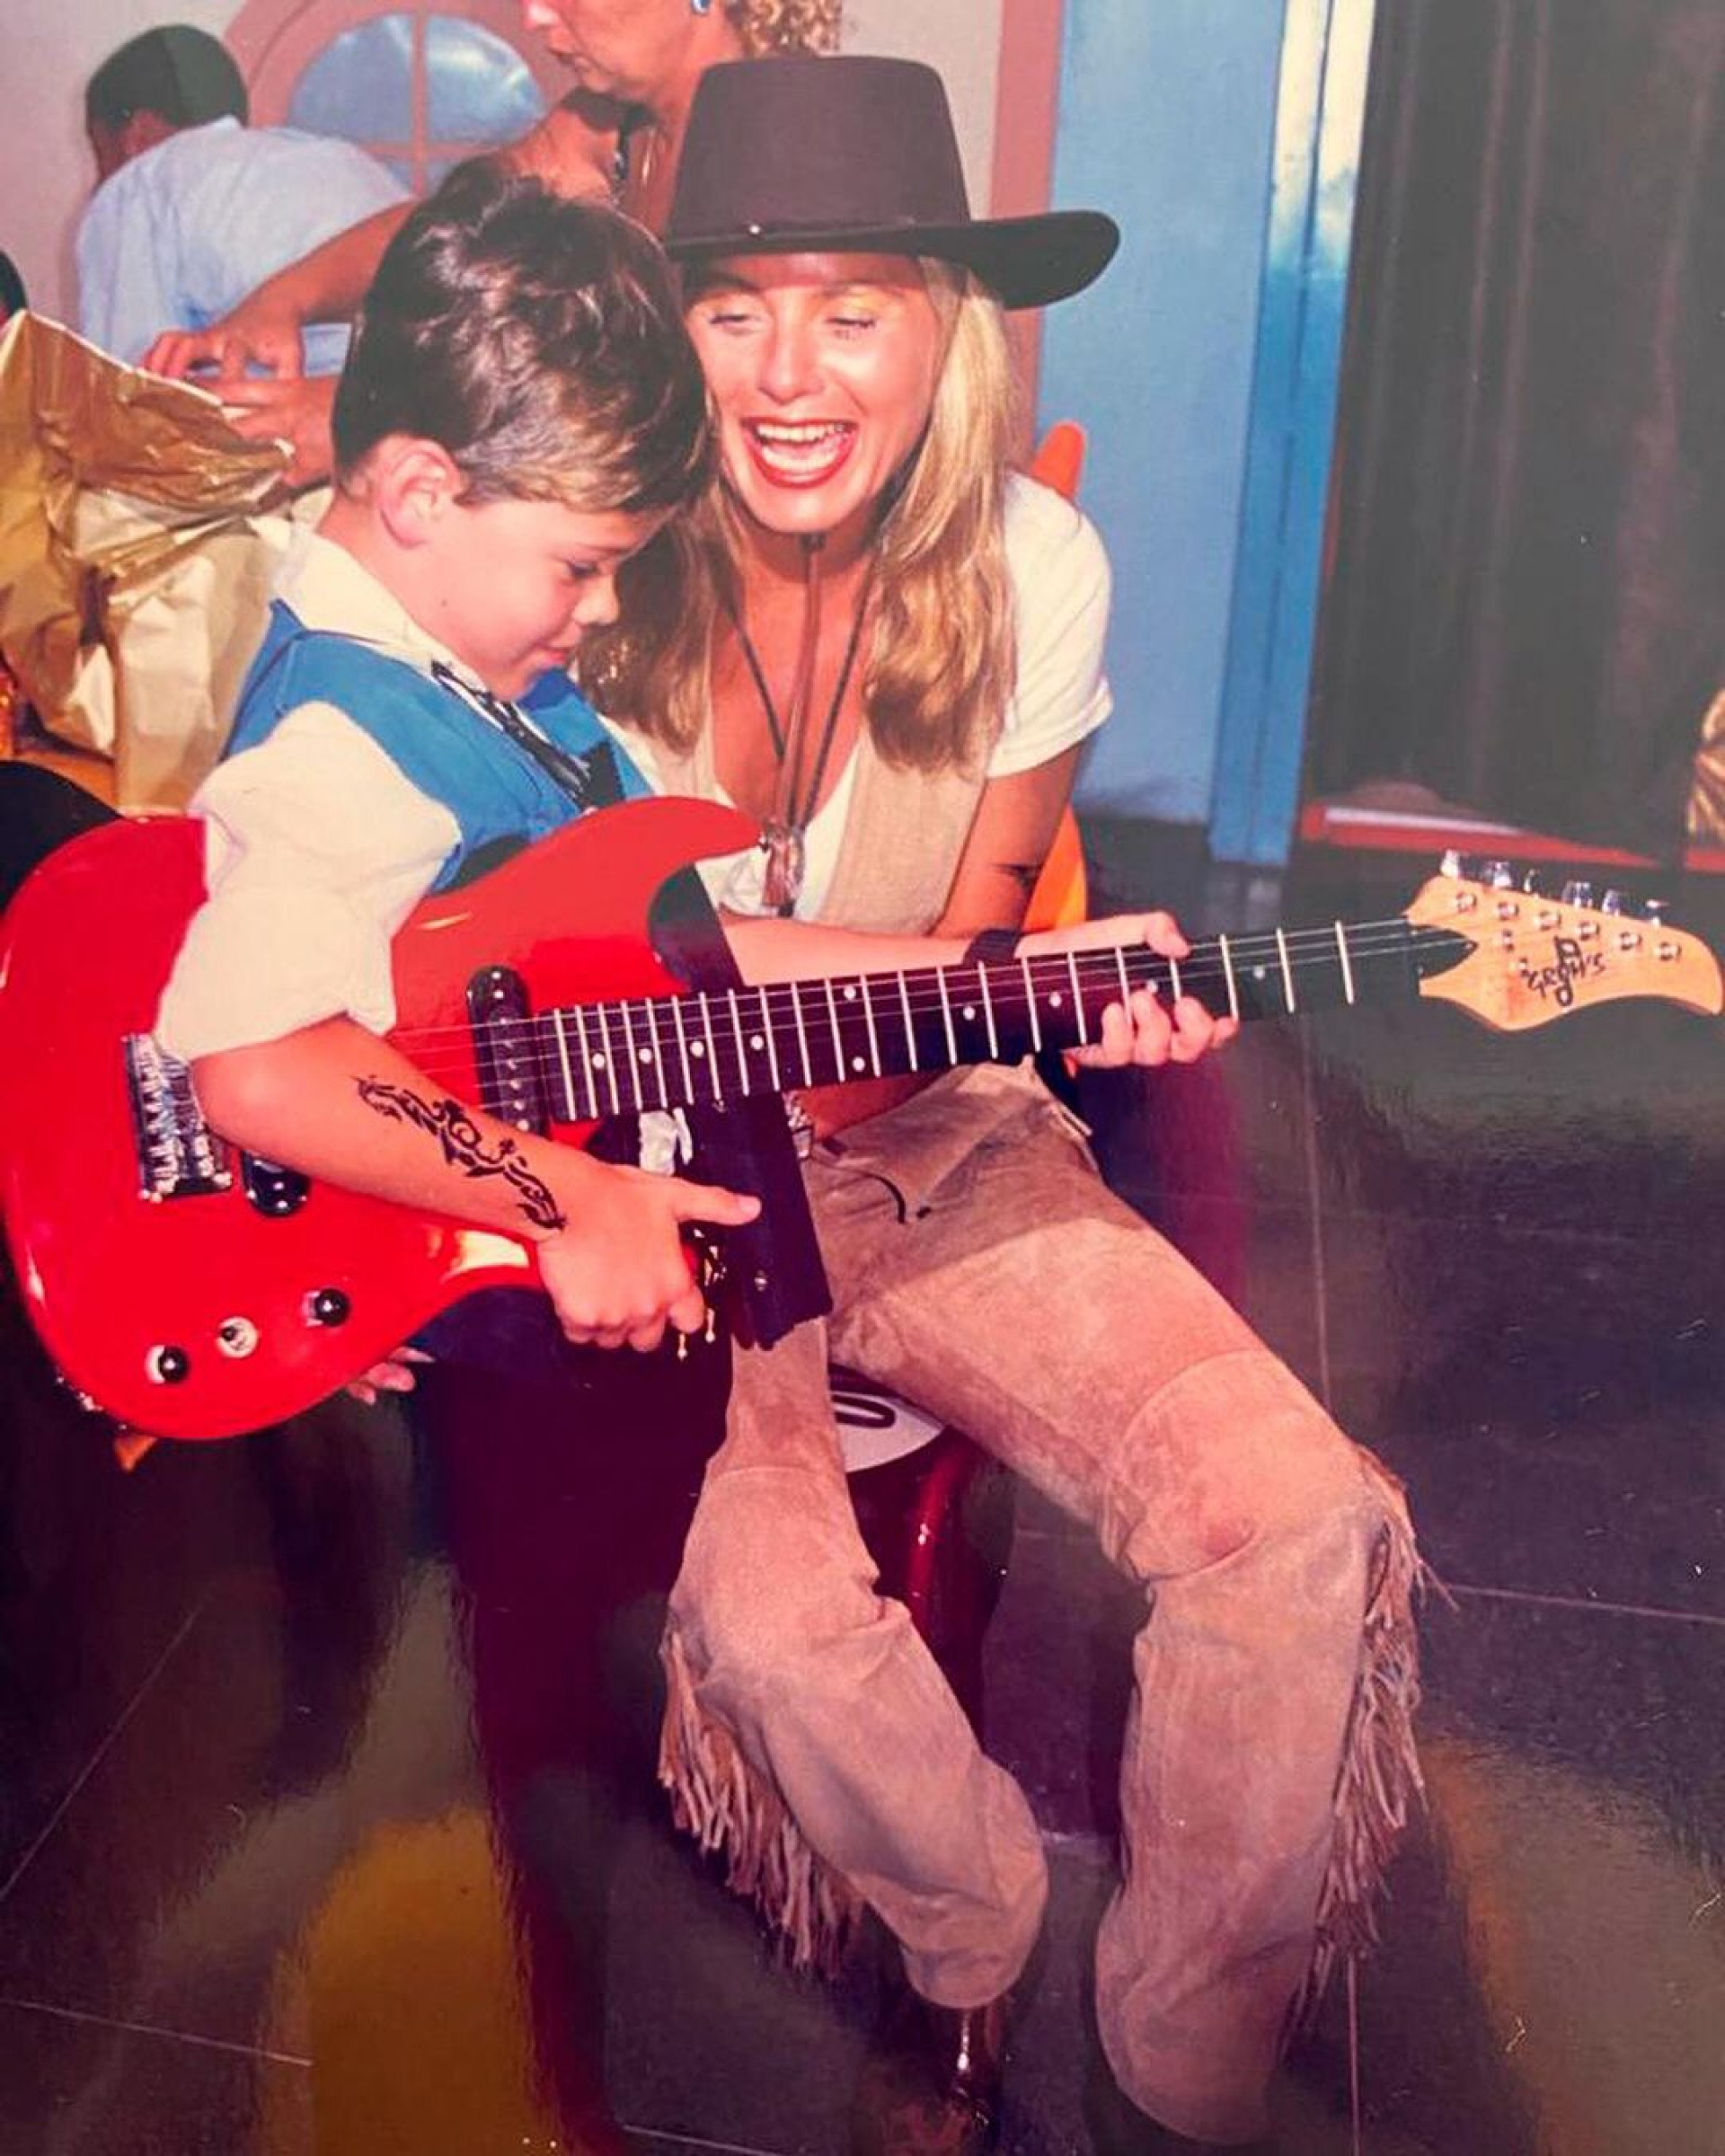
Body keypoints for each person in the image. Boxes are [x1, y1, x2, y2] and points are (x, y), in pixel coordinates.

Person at [574, 57, 1425, 2153]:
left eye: (853, 305)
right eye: (736, 306)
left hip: (928, 1125)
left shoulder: (1033, 567)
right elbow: (604, 979)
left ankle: (1185, 2045)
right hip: (656, 1164)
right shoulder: (583, 567)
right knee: (767, 1618)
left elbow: (968, 943)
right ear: (668, 329)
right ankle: (969, 1933)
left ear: (948, 327)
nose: (790, 372)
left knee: (1294, 1516)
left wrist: (1068, 1008)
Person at [143, 0, 841, 482]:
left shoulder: (781, 145)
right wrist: (285, 298)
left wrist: (373, 415)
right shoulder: (613, 126)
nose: (536, 17)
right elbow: (462, 222)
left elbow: (679, 399)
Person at [76, 25, 407, 374]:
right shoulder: (329, 158)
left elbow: (130, 390)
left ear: (137, 135)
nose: (99, 185)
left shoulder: (139, 182)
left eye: (101, 156)